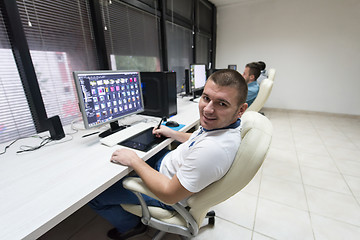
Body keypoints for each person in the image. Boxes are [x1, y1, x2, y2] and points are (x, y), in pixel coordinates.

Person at [89, 69, 248, 240]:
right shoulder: (225, 128)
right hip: (168, 165)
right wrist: (172, 133)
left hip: (168, 192)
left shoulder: (213, 150)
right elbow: (199, 139)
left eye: (222, 104)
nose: (208, 110)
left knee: (96, 196)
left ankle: (131, 226)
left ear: (240, 110)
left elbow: (169, 195)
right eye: (206, 98)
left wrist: (135, 161)